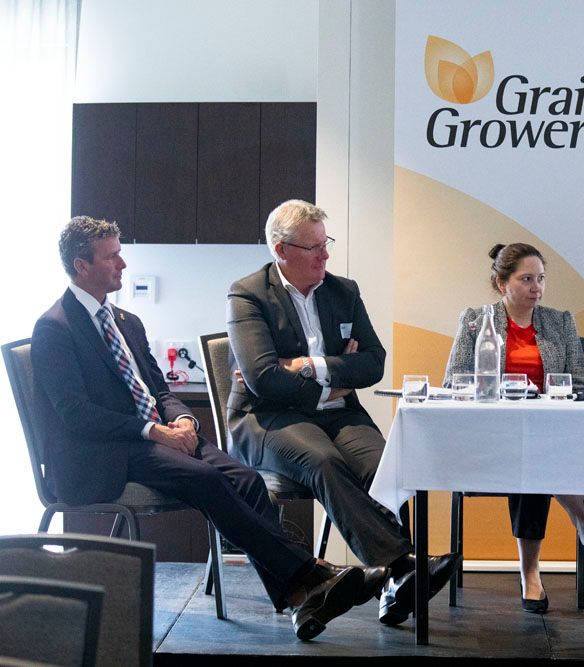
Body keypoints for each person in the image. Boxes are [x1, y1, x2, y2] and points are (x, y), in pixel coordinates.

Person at [32, 216, 373, 641]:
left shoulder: (125, 320)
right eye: (111, 256)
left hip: (159, 434)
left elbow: (158, 388)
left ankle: (297, 593)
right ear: (81, 266)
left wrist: (182, 419)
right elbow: (75, 413)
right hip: (107, 451)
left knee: (247, 481)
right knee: (208, 479)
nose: (123, 263)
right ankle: (309, 573)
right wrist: (152, 431)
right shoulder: (55, 328)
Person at [226, 199, 459, 627]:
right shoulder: (248, 294)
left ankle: (394, 584)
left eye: (325, 243)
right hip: (267, 418)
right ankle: (402, 569)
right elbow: (263, 379)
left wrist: (310, 366)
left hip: (336, 413)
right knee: (324, 460)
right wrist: (336, 378)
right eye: (313, 247)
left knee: (383, 465)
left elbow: (373, 363)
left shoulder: (343, 291)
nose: (325, 255)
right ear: (281, 250)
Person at [442, 242, 584, 613]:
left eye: (541, 279)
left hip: (547, 435)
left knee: (533, 452)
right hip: (490, 438)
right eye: (527, 279)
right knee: (532, 451)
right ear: (502, 283)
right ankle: (580, 519)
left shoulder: (560, 322)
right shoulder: (476, 320)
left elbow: (580, 383)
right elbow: (454, 380)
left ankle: (530, 572)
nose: (537, 288)